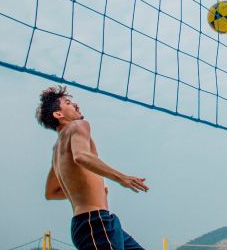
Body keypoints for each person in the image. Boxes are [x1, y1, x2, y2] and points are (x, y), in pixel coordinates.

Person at [36, 86, 149, 250]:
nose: (75, 105)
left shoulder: (57, 149)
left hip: (95, 222)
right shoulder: (79, 125)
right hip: (94, 222)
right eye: (68, 103)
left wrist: (89, 190)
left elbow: (51, 192)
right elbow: (81, 156)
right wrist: (121, 177)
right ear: (58, 114)